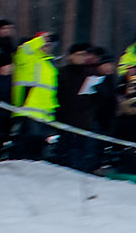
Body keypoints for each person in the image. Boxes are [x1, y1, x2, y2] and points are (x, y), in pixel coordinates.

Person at [11, 32, 59, 160]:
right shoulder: (29, 59)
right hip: (28, 111)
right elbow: (24, 50)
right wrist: (40, 39)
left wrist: (52, 113)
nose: (47, 47)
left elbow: (50, 92)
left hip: (44, 115)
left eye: (49, 45)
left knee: (39, 149)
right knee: (27, 146)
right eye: (44, 44)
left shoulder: (50, 66)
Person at [56, 44, 101, 171]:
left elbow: (98, 98)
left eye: (84, 54)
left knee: (84, 155)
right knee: (68, 154)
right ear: (71, 56)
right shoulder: (62, 73)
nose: (82, 57)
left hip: (86, 120)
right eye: (79, 54)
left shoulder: (90, 73)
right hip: (66, 119)